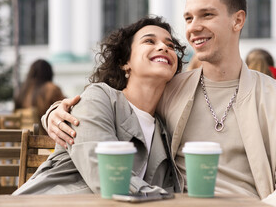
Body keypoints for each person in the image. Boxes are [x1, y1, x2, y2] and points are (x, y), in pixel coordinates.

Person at [42, 0, 276, 206]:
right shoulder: (169, 91)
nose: (193, 27)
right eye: (188, 18)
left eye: (207, 15)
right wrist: (55, 112)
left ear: (238, 21)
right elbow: (118, 102)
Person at [13, 16, 185, 195]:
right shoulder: (99, 98)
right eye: (149, 41)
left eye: (170, 46)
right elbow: (108, 176)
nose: (163, 47)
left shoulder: (165, 130)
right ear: (125, 62)